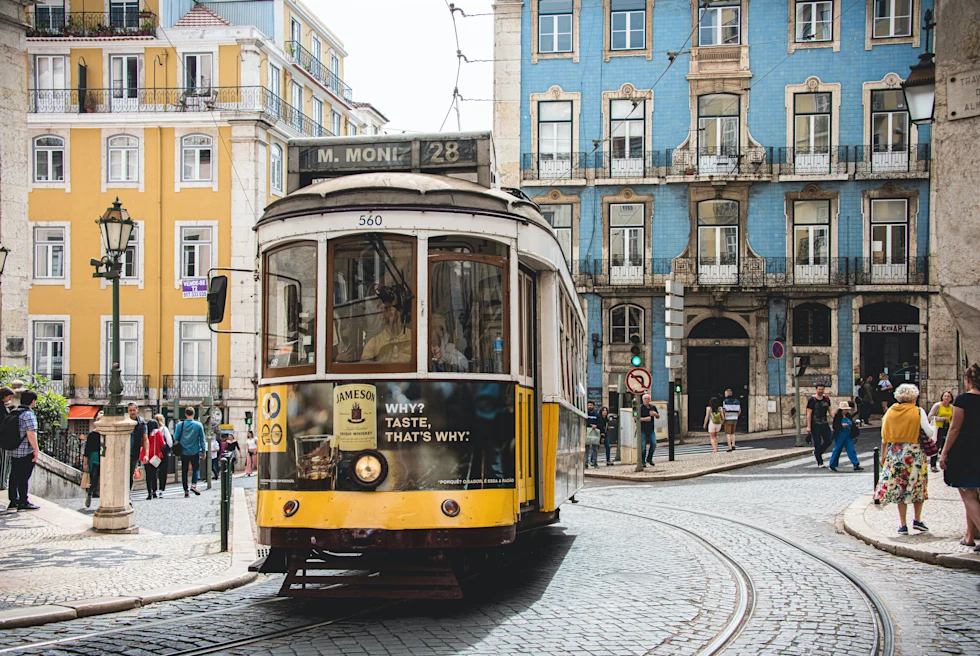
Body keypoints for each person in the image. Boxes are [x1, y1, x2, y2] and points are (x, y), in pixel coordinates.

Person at [874, 383, 935, 535]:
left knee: (899, 488)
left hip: (896, 454)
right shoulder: (918, 411)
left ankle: (903, 525)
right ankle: (917, 520)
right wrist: (933, 427)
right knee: (917, 487)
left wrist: (883, 455)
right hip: (914, 456)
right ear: (914, 397)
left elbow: (884, 436)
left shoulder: (890, 412)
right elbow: (929, 433)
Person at [939, 364, 980, 554]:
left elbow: (954, 428)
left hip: (967, 451)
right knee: (973, 495)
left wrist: (944, 452)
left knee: (968, 495)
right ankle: (969, 536)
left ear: (968, 380)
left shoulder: (963, 400)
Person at [6, 390, 40, 511]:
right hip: (25, 451)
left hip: (14, 450)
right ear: (33, 401)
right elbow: (31, 433)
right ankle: (23, 501)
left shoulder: (14, 412)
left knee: (14, 475)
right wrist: (36, 450)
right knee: (24, 477)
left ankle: (13, 500)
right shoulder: (28, 415)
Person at [361, 288, 412, 364]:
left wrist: (436, 352)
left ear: (400, 311)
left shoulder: (414, 338)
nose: (382, 313)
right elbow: (363, 368)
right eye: (381, 308)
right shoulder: (375, 342)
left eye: (387, 308)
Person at [174, 407, 206, 497]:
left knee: (184, 470)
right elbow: (202, 439)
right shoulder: (198, 425)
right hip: (195, 450)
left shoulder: (180, 425)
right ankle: (194, 484)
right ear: (194, 414)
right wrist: (204, 451)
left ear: (185, 414)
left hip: (184, 451)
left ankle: (186, 490)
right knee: (195, 468)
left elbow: (176, 437)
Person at [829, 401, 864, 472]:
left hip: (848, 434)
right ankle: (832, 464)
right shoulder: (838, 416)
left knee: (851, 449)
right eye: (845, 409)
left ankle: (856, 464)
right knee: (837, 449)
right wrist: (841, 425)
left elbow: (852, 425)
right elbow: (835, 426)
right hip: (840, 434)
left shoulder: (848, 415)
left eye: (847, 409)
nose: (846, 411)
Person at [806, 384, 834, 466]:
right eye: (819, 389)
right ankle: (820, 461)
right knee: (817, 442)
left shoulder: (826, 399)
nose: (821, 391)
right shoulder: (812, 400)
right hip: (815, 424)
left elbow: (830, 410)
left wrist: (835, 418)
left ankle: (817, 452)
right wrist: (808, 426)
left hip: (824, 422)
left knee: (828, 440)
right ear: (816, 390)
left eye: (822, 389)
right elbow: (809, 414)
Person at [928, 391, 954, 473]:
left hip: (947, 428)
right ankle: (933, 465)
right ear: (942, 397)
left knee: (946, 446)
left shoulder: (951, 407)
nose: (946, 398)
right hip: (938, 428)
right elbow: (930, 416)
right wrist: (942, 419)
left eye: (948, 396)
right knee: (936, 446)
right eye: (945, 396)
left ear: (951, 398)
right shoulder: (937, 405)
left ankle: (945, 464)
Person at [140, 420, 165, 501]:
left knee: (148, 475)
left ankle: (149, 492)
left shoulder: (146, 434)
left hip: (146, 456)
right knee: (154, 474)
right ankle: (154, 491)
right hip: (155, 456)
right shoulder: (157, 433)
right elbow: (162, 444)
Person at [82, 416, 102, 508]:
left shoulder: (107, 434)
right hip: (94, 458)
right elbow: (87, 450)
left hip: (103, 458)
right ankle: (90, 493)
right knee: (93, 478)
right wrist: (85, 463)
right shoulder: (92, 434)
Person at [126, 403, 146, 490]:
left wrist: (146, 453)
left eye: (134, 410)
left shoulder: (141, 423)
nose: (132, 412)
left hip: (134, 452)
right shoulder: (125, 421)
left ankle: (128, 493)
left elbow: (145, 439)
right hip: (124, 452)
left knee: (130, 474)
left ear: (137, 410)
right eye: (130, 410)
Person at [154, 413, 173, 496]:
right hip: (163, 452)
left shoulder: (152, 430)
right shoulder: (164, 429)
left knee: (154, 471)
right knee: (163, 471)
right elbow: (169, 442)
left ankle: (153, 489)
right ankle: (161, 489)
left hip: (154, 453)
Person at [639, 394, 659, 466]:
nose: (647, 400)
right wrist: (645, 419)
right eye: (645, 399)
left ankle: (649, 458)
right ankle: (642, 461)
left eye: (648, 399)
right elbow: (635, 419)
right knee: (643, 446)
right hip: (642, 429)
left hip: (651, 429)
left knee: (654, 443)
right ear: (643, 399)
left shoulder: (652, 407)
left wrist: (655, 414)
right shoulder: (640, 408)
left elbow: (658, 416)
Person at [585, 401, 602, 469]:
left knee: (595, 449)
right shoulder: (585, 414)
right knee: (586, 448)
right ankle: (585, 463)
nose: (589, 407)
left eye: (591, 405)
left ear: (594, 406)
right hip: (587, 433)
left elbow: (601, 424)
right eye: (588, 405)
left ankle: (595, 463)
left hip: (595, 434)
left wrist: (596, 426)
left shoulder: (597, 415)